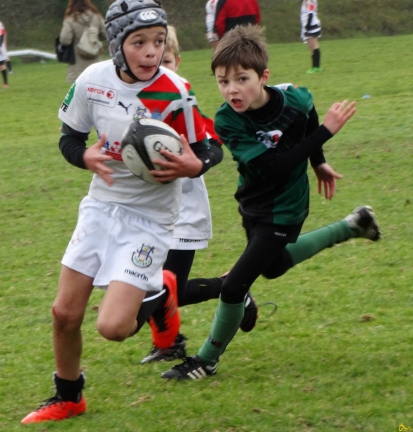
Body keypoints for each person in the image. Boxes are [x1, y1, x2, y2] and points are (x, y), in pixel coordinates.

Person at [21, 0, 224, 423]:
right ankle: (69, 395)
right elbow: (70, 138)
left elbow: (210, 144)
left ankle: (161, 297)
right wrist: (84, 158)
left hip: (150, 220)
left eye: (157, 41)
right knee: (64, 313)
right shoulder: (91, 81)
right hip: (100, 207)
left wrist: (196, 164)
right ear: (117, 45)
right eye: (139, 43)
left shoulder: (176, 90)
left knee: (113, 328)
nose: (151, 52)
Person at [161, 25, 381, 381]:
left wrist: (318, 159)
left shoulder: (294, 98)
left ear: (264, 77)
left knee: (235, 287)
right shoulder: (226, 119)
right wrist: (323, 135)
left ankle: (206, 360)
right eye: (222, 81)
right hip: (253, 203)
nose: (232, 89)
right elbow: (269, 167)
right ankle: (353, 225)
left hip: (286, 209)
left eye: (241, 79)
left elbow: (307, 114)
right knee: (274, 266)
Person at [140, 25, 260, 365]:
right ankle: (171, 340)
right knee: (144, 280)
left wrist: (194, 162)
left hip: (183, 207)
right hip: (145, 209)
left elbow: (213, 143)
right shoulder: (134, 104)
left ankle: (232, 290)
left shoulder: (183, 107)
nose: (157, 68)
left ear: (177, 61)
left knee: (168, 288)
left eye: (165, 61)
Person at [59, 0, 107, 84]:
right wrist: (94, 37)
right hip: (96, 62)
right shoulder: (96, 15)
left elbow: (65, 40)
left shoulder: (70, 19)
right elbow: (106, 34)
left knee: (80, 92)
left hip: (78, 64)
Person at [301, 0, 322, 73]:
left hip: (312, 26)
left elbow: (310, 14)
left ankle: (316, 66)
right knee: (311, 47)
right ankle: (314, 66)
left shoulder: (310, 1)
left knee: (314, 46)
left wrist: (307, 26)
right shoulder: (306, 1)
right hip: (308, 26)